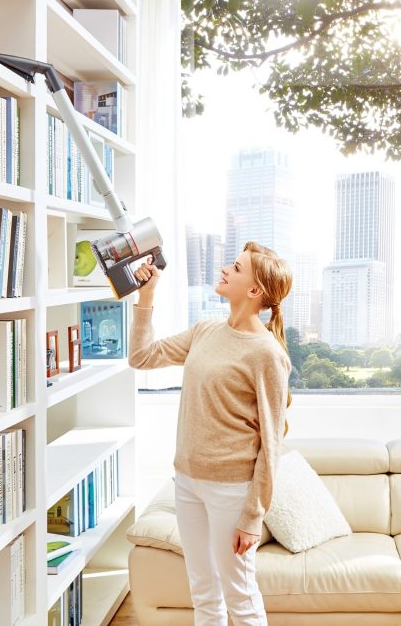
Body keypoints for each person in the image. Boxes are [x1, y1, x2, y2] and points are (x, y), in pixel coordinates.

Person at [129, 241, 292, 626]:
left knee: (239, 594)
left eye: (235, 268)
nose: (224, 270)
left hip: (231, 490)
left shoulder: (267, 354)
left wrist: (253, 516)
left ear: (254, 291)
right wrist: (146, 297)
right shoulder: (206, 331)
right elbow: (142, 357)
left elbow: (272, 444)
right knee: (203, 590)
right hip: (187, 482)